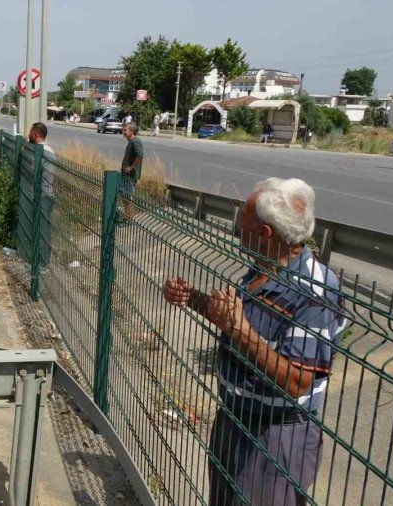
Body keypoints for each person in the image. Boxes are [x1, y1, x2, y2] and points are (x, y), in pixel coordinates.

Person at [163, 178, 345, 506]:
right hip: (236, 419)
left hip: (274, 437)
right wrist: (192, 298)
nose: (237, 230)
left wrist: (238, 329)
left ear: (265, 234)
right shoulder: (264, 269)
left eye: (243, 224)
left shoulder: (314, 295)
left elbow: (296, 381)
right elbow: (239, 323)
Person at [29, 123, 55, 269]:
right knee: (41, 228)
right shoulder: (49, 149)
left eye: (30, 132)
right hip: (47, 192)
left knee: (43, 230)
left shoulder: (41, 151)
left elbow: (33, 171)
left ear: (36, 134)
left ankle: (43, 262)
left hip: (43, 194)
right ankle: (41, 259)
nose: (29, 135)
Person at [120, 122, 143, 195]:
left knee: (128, 199)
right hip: (126, 176)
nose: (123, 132)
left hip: (130, 176)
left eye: (125, 130)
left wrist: (131, 168)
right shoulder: (131, 141)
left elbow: (140, 155)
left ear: (132, 131)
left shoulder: (135, 141)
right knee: (124, 197)